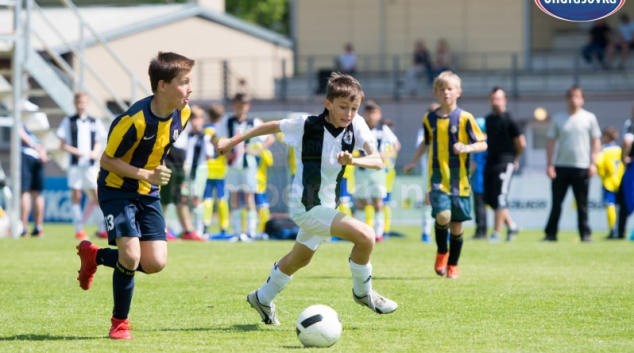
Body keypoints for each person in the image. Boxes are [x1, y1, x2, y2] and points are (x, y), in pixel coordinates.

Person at [216, 72, 398, 325]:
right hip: (306, 206)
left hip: (326, 206)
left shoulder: (356, 124)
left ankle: (261, 297)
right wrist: (233, 140)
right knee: (366, 236)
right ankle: (363, 293)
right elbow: (270, 126)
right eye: (343, 107)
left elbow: (378, 160)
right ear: (328, 104)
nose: (349, 113)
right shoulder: (307, 124)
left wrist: (353, 160)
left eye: (354, 108)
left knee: (300, 259)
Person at [74, 52, 194, 340]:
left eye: (190, 82)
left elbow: (158, 150)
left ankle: (95, 256)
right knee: (130, 256)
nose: (190, 88)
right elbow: (106, 160)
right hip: (117, 189)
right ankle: (120, 322)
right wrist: (146, 175)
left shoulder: (184, 114)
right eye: (184, 82)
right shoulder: (132, 121)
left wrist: (157, 172)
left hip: (148, 192)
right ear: (162, 85)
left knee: (154, 263)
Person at [404, 71, 487, 279]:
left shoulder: (466, 118)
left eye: (450, 89)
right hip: (438, 177)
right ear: (436, 93)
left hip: (460, 180)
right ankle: (442, 251)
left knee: (457, 227)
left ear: (458, 92)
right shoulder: (430, 118)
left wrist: (466, 148)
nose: (446, 92)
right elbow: (426, 141)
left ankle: (453, 264)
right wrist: (414, 161)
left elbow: (483, 143)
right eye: (442, 89)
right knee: (443, 216)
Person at [210, 93, 274, 240]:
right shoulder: (227, 121)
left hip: (249, 164)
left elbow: (270, 137)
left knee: (248, 196)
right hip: (233, 164)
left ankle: (250, 232)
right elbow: (213, 138)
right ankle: (238, 232)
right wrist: (225, 153)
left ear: (248, 107)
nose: (240, 110)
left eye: (243, 107)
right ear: (233, 106)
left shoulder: (254, 122)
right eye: (238, 106)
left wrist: (258, 149)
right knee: (234, 196)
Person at [544, 86, 601, 242]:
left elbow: (596, 141)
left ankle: (585, 234)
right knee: (556, 203)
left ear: (582, 99)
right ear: (567, 99)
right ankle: (550, 234)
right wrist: (549, 164)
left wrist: (593, 163)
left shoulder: (589, 118)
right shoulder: (558, 118)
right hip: (561, 167)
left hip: (582, 167)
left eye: (577, 96)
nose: (574, 99)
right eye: (571, 96)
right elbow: (550, 142)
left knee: (582, 204)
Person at [56, 92, 108, 240]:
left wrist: (94, 152)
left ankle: (102, 228)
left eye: (84, 102)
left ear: (87, 103)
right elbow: (62, 144)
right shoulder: (68, 121)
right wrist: (75, 151)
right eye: (79, 102)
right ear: (75, 103)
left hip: (91, 165)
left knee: (96, 194)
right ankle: (79, 229)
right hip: (75, 165)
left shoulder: (94, 121)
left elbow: (99, 140)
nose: (81, 105)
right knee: (76, 195)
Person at [484, 87, 525, 242]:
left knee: (500, 197)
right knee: (490, 198)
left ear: (504, 100)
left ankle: (496, 233)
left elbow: (521, 142)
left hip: (505, 161)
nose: (496, 102)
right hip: (490, 162)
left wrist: (515, 158)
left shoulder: (510, 119)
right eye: (493, 99)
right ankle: (512, 225)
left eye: (499, 98)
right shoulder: (488, 120)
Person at [355, 100, 398, 242]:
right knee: (360, 201)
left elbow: (396, 144)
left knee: (377, 201)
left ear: (379, 114)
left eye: (374, 113)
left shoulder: (382, 129)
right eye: (369, 113)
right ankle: (360, 232)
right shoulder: (358, 127)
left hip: (377, 170)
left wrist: (387, 155)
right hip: (361, 169)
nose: (371, 116)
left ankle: (378, 234)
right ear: (364, 114)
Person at [183, 106, 213, 236]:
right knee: (183, 198)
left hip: (199, 170)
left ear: (202, 120)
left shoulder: (205, 137)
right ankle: (187, 229)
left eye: (197, 118)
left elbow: (209, 155)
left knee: (196, 199)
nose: (195, 122)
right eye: (192, 118)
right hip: (186, 169)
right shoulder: (186, 135)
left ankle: (199, 230)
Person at [415, 102, 440, 243]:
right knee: (428, 200)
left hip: (445, 170)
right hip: (428, 171)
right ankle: (426, 232)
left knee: (445, 200)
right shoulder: (424, 130)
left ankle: (446, 231)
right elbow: (422, 146)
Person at [203, 104, 230, 235]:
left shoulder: (205, 129)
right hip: (220, 170)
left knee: (207, 198)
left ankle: (205, 224)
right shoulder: (223, 132)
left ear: (209, 116)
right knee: (221, 198)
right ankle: (224, 225)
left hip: (207, 169)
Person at [20, 125, 48, 237]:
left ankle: (23, 228)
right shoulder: (39, 114)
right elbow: (45, 136)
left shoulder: (22, 111)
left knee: (25, 192)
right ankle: (38, 228)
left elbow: (19, 130)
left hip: (25, 154)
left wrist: (34, 146)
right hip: (39, 155)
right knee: (37, 193)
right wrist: (43, 151)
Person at [595, 127, 623, 239]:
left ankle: (612, 231)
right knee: (621, 207)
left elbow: (598, 163)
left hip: (609, 182)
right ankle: (621, 230)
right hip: (621, 181)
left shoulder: (604, 150)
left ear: (606, 137)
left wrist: (602, 174)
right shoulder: (620, 149)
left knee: (610, 206)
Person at [381, 119, 401, 237]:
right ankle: (384, 230)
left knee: (382, 204)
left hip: (386, 175)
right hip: (388, 175)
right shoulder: (390, 144)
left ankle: (385, 230)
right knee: (384, 204)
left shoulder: (387, 144)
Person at [617, 113, 634, 240]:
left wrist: (625, 156)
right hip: (630, 169)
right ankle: (620, 231)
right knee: (625, 200)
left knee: (626, 200)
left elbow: (626, 142)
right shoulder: (630, 124)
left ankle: (620, 231)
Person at [251, 141, 273, 237]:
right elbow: (270, 162)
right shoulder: (252, 147)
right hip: (252, 181)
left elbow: (269, 162)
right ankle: (254, 230)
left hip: (259, 183)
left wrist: (262, 148)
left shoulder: (262, 149)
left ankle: (262, 230)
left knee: (261, 206)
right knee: (257, 206)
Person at [470, 117, 487, 240]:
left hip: (479, 180)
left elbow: (474, 164)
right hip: (487, 178)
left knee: (479, 206)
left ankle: (480, 232)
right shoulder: (489, 141)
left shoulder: (479, 143)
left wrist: (466, 175)